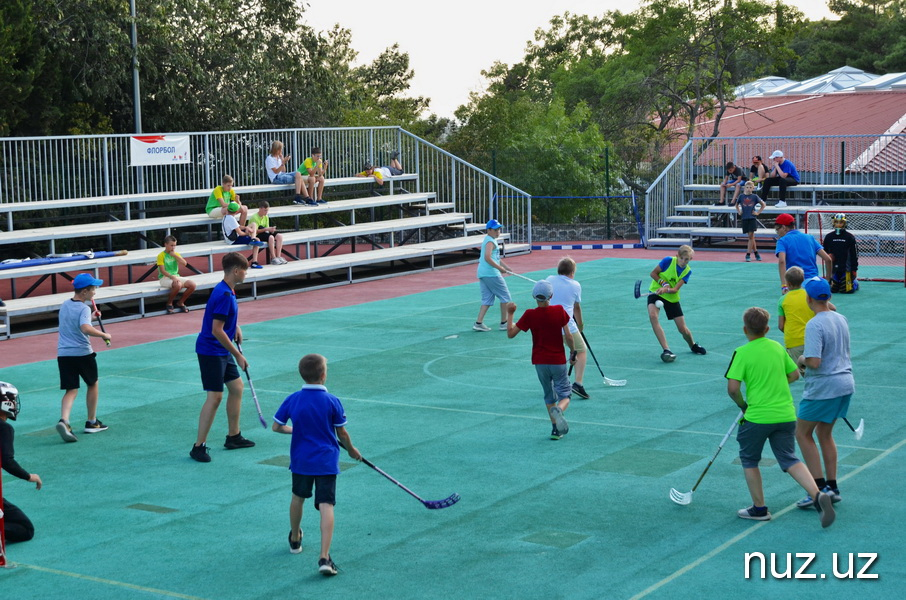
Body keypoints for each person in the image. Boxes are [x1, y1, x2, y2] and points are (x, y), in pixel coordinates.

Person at [724, 307, 835, 528]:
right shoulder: (776, 347)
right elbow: (794, 374)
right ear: (766, 328)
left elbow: (733, 388)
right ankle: (816, 494)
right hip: (785, 414)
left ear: (745, 329)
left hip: (757, 417)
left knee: (749, 459)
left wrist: (743, 405)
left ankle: (759, 508)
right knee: (789, 458)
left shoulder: (742, 352)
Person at [272, 353, 362, 576]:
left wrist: (295, 429)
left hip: (301, 460)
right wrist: (351, 450)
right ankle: (324, 557)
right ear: (323, 375)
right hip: (326, 461)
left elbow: (277, 427)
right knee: (326, 505)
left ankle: (295, 538)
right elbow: (341, 432)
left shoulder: (293, 399)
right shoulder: (332, 401)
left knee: (298, 497)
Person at [794, 278, 854, 511]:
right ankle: (832, 487)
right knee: (825, 433)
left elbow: (814, 362)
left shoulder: (815, 324)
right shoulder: (841, 318)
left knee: (802, 433)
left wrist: (801, 360)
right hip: (845, 383)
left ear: (809, 299)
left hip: (824, 387)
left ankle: (817, 490)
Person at [190, 252, 256, 463]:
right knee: (215, 397)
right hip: (211, 351)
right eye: (245, 269)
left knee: (236, 388)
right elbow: (216, 329)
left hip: (221, 350)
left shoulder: (227, 290)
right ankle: (198, 446)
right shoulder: (224, 294)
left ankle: (233, 436)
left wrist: (235, 326)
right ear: (236, 271)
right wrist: (237, 354)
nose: (246, 273)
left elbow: (222, 320)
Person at [506, 280, 575, 440]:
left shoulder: (530, 314)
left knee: (548, 395)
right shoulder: (559, 310)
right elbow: (569, 336)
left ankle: (555, 429)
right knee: (565, 394)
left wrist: (510, 314)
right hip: (557, 360)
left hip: (539, 361)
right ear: (551, 296)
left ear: (534, 297)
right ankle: (560, 409)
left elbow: (510, 333)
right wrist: (572, 352)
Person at [54, 273, 112, 443]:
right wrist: (103, 334)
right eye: (93, 289)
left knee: (71, 390)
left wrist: (92, 318)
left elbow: (74, 323)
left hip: (64, 354)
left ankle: (64, 420)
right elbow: (85, 328)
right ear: (85, 292)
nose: (95, 292)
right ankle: (92, 422)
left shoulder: (65, 304)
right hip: (82, 353)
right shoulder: (84, 308)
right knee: (93, 383)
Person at [646, 245, 706, 363]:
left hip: (671, 297)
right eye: (682, 258)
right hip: (655, 292)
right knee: (653, 316)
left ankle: (692, 345)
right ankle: (666, 350)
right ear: (677, 256)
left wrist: (667, 289)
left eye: (687, 259)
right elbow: (653, 273)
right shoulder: (667, 261)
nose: (683, 262)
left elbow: (675, 289)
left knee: (682, 329)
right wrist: (663, 284)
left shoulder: (687, 271)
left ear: (690, 259)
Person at [0, 381, 42, 543]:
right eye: (12, 399)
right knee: (25, 528)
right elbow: (7, 461)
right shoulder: (4, 428)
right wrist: (29, 476)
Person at [546, 257, 588, 399]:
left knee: (554, 353)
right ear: (572, 272)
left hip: (549, 325)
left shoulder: (549, 279)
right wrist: (580, 325)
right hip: (566, 326)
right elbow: (577, 307)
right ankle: (578, 383)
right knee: (581, 351)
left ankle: (553, 383)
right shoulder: (575, 285)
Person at [774, 213, 832, 292]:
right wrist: (828, 280)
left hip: (796, 284)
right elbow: (828, 259)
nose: (777, 232)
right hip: (813, 281)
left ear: (784, 227)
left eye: (777, 229)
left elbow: (782, 261)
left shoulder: (782, 241)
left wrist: (784, 286)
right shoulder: (809, 237)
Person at [473, 219, 513, 332]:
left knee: (487, 299)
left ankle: (478, 323)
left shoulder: (489, 240)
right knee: (505, 297)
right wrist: (500, 269)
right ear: (489, 230)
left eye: (499, 229)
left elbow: (496, 259)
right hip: (491, 274)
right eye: (495, 230)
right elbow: (487, 257)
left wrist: (507, 267)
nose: (498, 232)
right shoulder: (490, 241)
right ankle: (504, 322)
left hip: (483, 273)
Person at [157, 235, 197, 313]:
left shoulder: (176, 254)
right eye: (171, 245)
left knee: (192, 285)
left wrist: (175, 255)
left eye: (175, 245)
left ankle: (180, 302)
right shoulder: (161, 255)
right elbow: (162, 271)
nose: (173, 247)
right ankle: (169, 302)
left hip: (176, 276)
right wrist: (172, 277)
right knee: (177, 285)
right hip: (164, 278)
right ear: (165, 244)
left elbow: (185, 263)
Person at [222, 201, 266, 269]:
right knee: (257, 240)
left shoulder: (227, 216)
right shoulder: (231, 219)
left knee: (253, 224)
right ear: (236, 212)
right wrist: (247, 233)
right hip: (233, 240)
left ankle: (253, 238)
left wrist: (246, 227)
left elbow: (238, 226)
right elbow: (240, 233)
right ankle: (254, 262)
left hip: (233, 236)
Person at [823, 213, 859, 293]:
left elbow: (854, 255)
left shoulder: (850, 237)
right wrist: (827, 256)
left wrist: (854, 270)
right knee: (833, 290)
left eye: (841, 222)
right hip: (833, 269)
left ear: (845, 223)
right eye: (836, 222)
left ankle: (855, 283)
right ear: (833, 223)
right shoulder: (829, 237)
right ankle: (837, 280)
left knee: (846, 290)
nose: (838, 224)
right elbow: (824, 251)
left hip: (846, 268)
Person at [736, 181, 766, 262]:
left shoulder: (754, 196)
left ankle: (748, 254)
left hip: (752, 218)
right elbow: (736, 205)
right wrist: (739, 212)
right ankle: (756, 252)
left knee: (750, 236)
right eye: (747, 187)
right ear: (745, 188)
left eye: (750, 188)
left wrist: (757, 213)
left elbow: (763, 205)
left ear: (753, 188)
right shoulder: (741, 196)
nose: (749, 189)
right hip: (744, 218)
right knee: (751, 237)